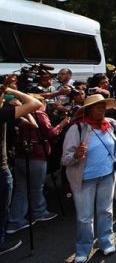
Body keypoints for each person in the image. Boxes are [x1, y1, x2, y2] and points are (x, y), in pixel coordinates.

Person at [61, 94, 116, 262]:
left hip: (108, 175)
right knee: (84, 217)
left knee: (106, 211)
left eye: (103, 106)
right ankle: (83, 249)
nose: (101, 110)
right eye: (97, 107)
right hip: (84, 179)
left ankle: (106, 242)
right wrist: (76, 155)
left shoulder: (110, 124)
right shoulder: (77, 128)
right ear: (88, 110)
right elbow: (65, 159)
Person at [6, 96, 68, 235]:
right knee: (36, 187)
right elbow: (50, 133)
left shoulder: (17, 114)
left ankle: (15, 220)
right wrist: (62, 124)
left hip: (20, 154)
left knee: (21, 189)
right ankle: (39, 211)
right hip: (37, 155)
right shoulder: (39, 115)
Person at [0, 85, 42, 256]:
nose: (3, 100)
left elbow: (31, 123)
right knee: (2, 208)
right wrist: (12, 90)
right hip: (1, 169)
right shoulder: (2, 113)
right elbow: (34, 103)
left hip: (9, 161)